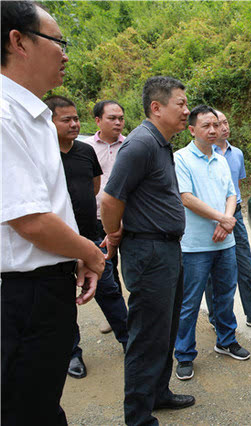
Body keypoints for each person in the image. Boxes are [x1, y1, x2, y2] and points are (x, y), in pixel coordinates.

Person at [1, 2, 104, 424]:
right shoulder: (6, 115)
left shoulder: (31, 115)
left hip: (42, 287)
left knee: (39, 402)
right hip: (23, 295)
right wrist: (92, 252)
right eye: (57, 41)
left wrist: (74, 253)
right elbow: (29, 220)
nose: (65, 53)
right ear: (18, 41)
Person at [101, 76, 193, 425]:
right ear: (157, 107)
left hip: (167, 249)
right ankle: (138, 417)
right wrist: (112, 234)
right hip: (149, 251)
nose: (186, 110)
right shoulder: (140, 144)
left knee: (166, 329)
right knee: (146, 336)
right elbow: (110, 199)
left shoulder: (161, 143)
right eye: (180, 104)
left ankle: (159, 393)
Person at [44, 95, 129, 379]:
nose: (74, 124)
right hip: (56, 241)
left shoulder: (85, 151)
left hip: (89, 236)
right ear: (49, 121)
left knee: (109, 290)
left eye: (76, 118)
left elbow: (94, 187)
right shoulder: (41, 154)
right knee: (64, 299)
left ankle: (128, 340)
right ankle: (72, 354)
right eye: (66, 120)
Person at [173, 105, 251, 381]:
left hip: (224, 243)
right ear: (192, 129)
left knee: (225, 294)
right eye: (206, 125)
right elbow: (186, 197)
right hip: (194, 245)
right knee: (190, 302)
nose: (214, 130)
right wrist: (223, 219)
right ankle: (183, 354)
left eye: (216, 125)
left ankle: (226, 340)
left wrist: (226, 220)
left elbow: (233, 194)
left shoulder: (220, 158)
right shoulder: (180, 158)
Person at [204, 110, 251, 332]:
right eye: (218, 124)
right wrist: (218, 218)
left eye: (226, 122)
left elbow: (235, 188)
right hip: (212, 218)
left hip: (235, 216)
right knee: (213, 271)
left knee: (245, 267)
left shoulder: (236, 153)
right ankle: (216, 317)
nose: (224, 127)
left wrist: (231, 216)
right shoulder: (206, 154)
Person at [87, 99, 127, 334]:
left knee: (131, 266)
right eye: (112, 118)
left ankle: (131, 314)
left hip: (128, 219)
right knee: (107, 268)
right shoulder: (86, 147)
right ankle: (116, 315)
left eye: (121, 118)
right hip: (98, 219)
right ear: (98, 120)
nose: (118, 122)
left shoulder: (130, 145)